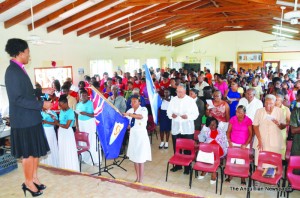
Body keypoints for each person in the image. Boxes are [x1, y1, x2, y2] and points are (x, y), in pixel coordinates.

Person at [5, 38, 52, 196]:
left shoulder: (20, 69)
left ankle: (34, 178)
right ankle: (27, 182)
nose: (29, 55)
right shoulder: (12, 71)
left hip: (31, 118)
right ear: (20, 53)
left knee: (35, 152)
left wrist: (42, 92)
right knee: (28, 153)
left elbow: (27, 91)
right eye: (27, 52)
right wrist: (41, 105)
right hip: (23, 120)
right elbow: (16, 98)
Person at [167, 84, 199, 174]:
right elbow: (168, 111)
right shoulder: (173, 100)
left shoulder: (190, 101)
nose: (178, 93)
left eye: (180, 92)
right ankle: (178, 165)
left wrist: (187, 116)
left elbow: (196, 114)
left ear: (185, 91)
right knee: (177, 147)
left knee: (187, 149)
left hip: (187, 129)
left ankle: (187, 167)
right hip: (176, 128)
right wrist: (171, 115)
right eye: (177, 91)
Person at [123, 95, 151, 183]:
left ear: (139, 102)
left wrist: (129, 115)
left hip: (141, 135)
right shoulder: (130, 110)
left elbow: (140, 117)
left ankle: (141, 179)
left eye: (134, 101)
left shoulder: (143, 109)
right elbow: (126, 120)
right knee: (135, 157)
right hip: (133, 135)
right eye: (131, 101)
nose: (132, 103)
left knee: (141, 158)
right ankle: (137, 177)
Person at [253, 94, 286, 166]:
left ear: (275, 103)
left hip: (275, 140)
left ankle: (272, 175)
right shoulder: (259, 111)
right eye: (266, 103)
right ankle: (261, 176)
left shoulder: (279, 111)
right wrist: (260, 140)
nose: (268, 105)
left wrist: (278, 123)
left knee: (273, 162)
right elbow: (255, 126)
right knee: (261, 162)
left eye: (271, 103)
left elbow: (283, 126)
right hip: (261, 139)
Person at [226, 105, 253, 184]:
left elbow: (251, 134)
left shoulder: (248, 120)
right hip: (233, 142)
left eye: (240, 112)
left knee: (242, 161)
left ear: (244, 113)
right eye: (237, 112)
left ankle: (243, 177)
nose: (238, 114)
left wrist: (246, 144)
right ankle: (230, 175)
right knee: (232, 160)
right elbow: (228, 131)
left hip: (244, 144)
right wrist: (229, 141)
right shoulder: (233, 119)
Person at [198, 117, 227, 184]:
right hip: (209, 148)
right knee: (206, 152)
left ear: (217, 124)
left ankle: (212, 172)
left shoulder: (221, 130)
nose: (213, 126)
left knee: (213, 154)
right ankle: (207, 170)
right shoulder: (206, 130)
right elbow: (201, 138)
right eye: (211, 124)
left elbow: (224, 141)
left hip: (220, 148)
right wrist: (202, 134)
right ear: (208, 125)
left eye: (214, 124)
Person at [55, 95, 79, 172]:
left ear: (66, 103)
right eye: (59, 105)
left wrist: (57, 123)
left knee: (68, 149)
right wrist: (55, 119)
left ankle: (70, 166)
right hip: (61, 132)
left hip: (68, 132)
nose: (60, 107)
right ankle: (63, 166)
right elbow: (60, 122)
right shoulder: (62, 111)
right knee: (62, 148)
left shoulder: (71, 112)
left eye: (61, 105)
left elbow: (66, 126)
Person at [76, 89, 100, 165]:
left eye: (85, 95)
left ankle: (94, 160)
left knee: (91, 140)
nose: (83, 97)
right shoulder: (78, 104)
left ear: (88, 96)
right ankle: (84, 158)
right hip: (81, 123)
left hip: (89, 123)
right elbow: (76, 115)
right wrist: (77, 125)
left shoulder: (91, 103)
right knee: (82, 141)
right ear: (79, 96)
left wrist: (85, 113)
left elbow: (94, 114)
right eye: (81, 95)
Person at [275, 94, 291, 160]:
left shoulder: (286, 109)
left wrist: (283, 125)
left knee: (281, 149)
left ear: (281, 101)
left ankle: (280, 164)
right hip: (272, 131)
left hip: (281, 131)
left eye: (276, 100)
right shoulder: (271, 108)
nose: (274, 101)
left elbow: (289, 121)